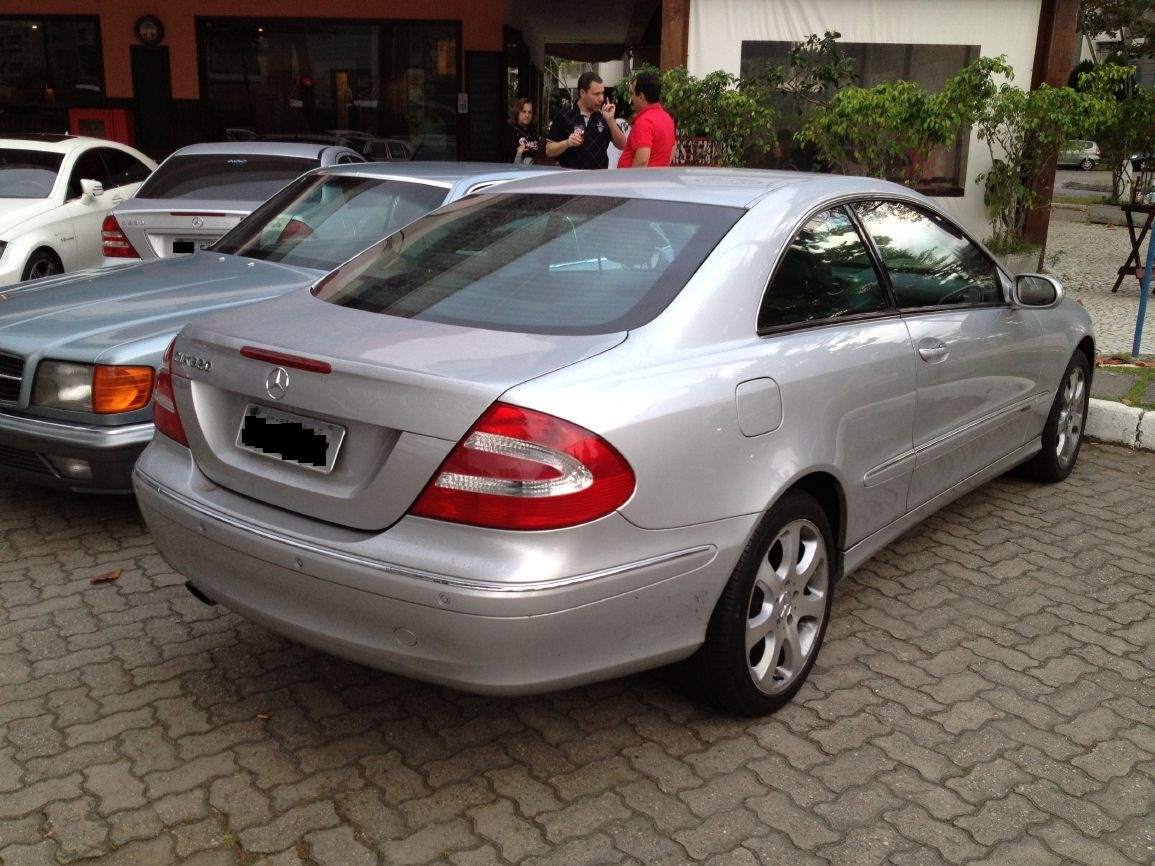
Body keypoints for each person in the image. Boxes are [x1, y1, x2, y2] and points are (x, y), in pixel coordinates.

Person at [545, 72, 627, 169]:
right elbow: (549, 151)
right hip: (571, 179)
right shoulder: (565, 114)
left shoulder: (604, 115)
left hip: (598, 180)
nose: (601, 99)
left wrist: (610, 120)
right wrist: (567, 143)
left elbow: (623, 145)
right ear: (582, 93)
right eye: (596, 94)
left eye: (602, 93)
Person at [617, 71, 676, 168]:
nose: (631, 99)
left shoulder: (644, 121)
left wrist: (632, 182)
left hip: (639, 180)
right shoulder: (667, 118)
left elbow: (642, 160)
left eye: (632, 94)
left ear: (641, 97)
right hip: (657, 178)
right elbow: (672, 149)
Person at [504, 98, 540, 164]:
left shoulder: (534, 133)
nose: (527, 115)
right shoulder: (510, 131)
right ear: (517, 112)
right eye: (524, 111)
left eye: (530, 112)